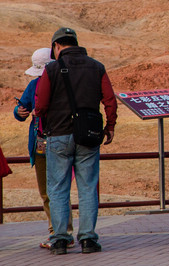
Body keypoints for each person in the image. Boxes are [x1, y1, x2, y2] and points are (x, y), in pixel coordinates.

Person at [34, 27, 118, 254]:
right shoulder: (96, 67)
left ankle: (60, 239)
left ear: (56, 46)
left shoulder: (51, 69)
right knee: (88, 188)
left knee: (58, 188)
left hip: (59, 135)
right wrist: (110, 126)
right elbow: (110, 100)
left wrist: (39, 115)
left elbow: (41, 104)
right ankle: (88, 239)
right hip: (88, 136)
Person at [13, 47, 57, 247]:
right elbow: (22, 107)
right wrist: (19, 111)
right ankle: (59, 231)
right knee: (55, 191)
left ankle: (57, 232)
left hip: (48, 142)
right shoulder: (35, 85)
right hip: (47, 142)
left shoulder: (37, 83)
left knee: (49, 192)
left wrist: (19, 112)